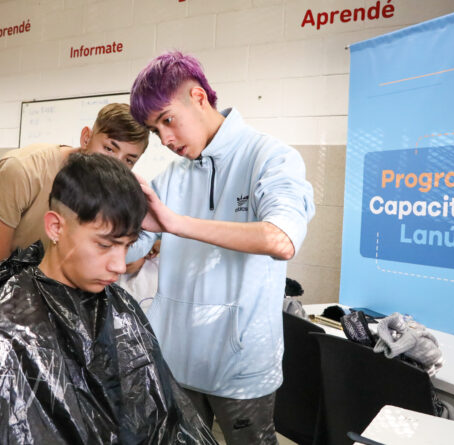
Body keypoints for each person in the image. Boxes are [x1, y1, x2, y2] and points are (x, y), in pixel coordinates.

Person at [0, 153, 217, 444]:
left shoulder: (121, 308)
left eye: (127, 245)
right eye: (105, 245)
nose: (119, 266)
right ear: (56, 227)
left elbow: (160, 421)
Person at [127, 51, 316, 444]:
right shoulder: (170, 178)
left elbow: (281, 239)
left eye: (167, 120)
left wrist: (176, 224)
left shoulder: (270, 157)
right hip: (176, 363)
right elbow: (126, 253)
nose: (165, 139)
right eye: (155, 130)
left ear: (198, 98)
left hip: (241, 369)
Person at [0, 102, 149, 287]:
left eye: (129, 160)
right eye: (109, 149)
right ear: (86, 138)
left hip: (38, 287)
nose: (116, 165)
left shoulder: (103, 188)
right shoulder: (23, 170)